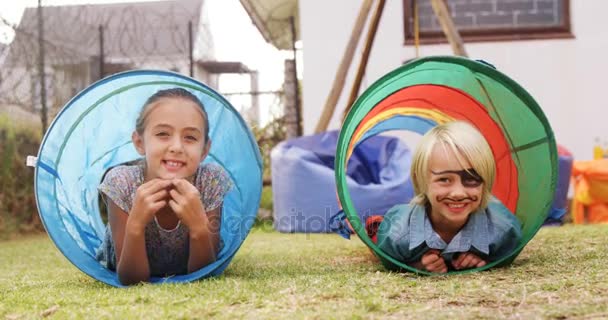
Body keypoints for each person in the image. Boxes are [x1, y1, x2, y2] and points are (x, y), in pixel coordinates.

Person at [96, 88, 233, 285]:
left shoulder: (210, 181)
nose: (177, 147)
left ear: (204, 150)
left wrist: (198, 227)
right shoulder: (121, 182)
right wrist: (135, 225)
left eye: (190, 137)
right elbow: (131, 279)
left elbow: (203, 275)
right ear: (139, 142)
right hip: (127, 262)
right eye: (162, 134)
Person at [376, 121, 522, 273]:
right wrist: (416, 266)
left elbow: (505, 256)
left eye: (471, 178)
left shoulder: (503, 231)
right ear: (421, 181)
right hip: (396, 219)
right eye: (444, 179)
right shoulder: (396, 234)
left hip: (491, 211)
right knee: (375, 228)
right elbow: (388, 262)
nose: (458, 193)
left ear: (485, 181)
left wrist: (485, 261)